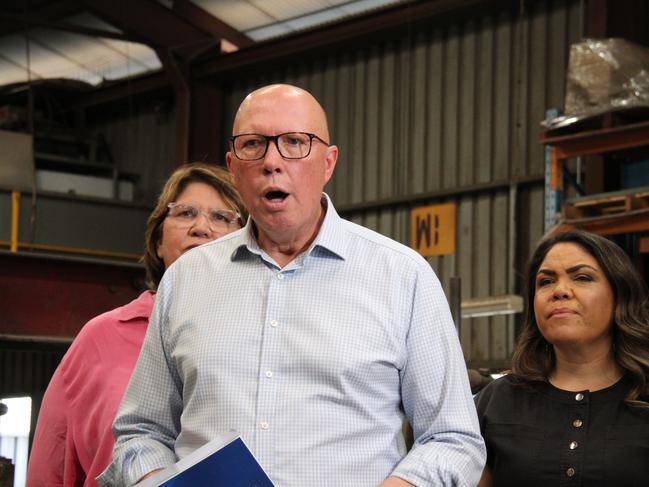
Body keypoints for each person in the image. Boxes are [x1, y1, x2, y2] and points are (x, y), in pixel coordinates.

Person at [100, 84, 485, 487]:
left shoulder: (402, 277)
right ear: (233, 166)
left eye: (295, 143)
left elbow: (452, 438)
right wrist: (160, 481)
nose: (272, 162)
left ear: (328, 162)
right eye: (253, 145)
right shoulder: (187, 280)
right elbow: (140, 432)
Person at [26, 163, 247, 487]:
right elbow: (52, 464)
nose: (201, 227)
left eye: (222, 217)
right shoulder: (100, 338)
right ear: (158, 242)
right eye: (185, 213)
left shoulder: (261, 336)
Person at [476, 230, 649, 487]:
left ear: (619, 295)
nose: (560, 290)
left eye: (582, 277)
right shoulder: (496, 402)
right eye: (545, 281)